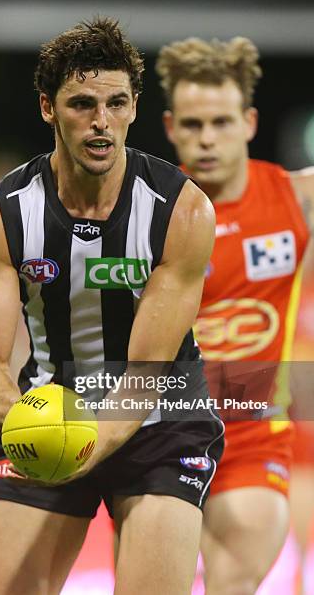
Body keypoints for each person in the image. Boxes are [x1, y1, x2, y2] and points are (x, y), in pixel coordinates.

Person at [0, 18, 224, 595]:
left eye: (116, 103)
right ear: (47, 109)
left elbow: (148, 373)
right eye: (81, 103)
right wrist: (28, 422)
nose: (101, 121)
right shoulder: (2, 213)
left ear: (134, 108)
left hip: (161, 425)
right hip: (51, 412)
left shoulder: (181, 212)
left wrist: (80, 443)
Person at [156, 37, 314, 594]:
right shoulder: (145, 208)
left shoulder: (298, 198)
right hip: (159, 436)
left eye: (221, 122)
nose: (207, 139)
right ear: (171, 126)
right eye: (193, 124)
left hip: (253, 436)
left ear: (248, 122)